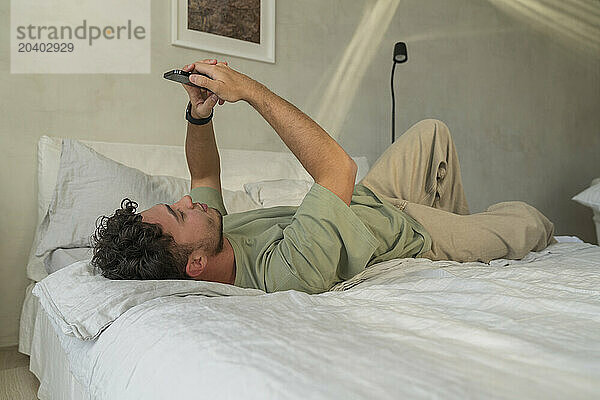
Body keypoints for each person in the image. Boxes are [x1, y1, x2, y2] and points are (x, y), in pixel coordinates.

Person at [91, 59, 557, 294]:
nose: (189, 201)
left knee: (432, 133)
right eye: (178, 213)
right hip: (412, 233)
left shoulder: (212, 236)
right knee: (530, 224)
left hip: (370, 199)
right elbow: (338, 168)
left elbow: (204, 171)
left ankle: (465, 229)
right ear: (194, 266)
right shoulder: (281, 276)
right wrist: (249, 90)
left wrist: (199, 115)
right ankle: (460, 240)